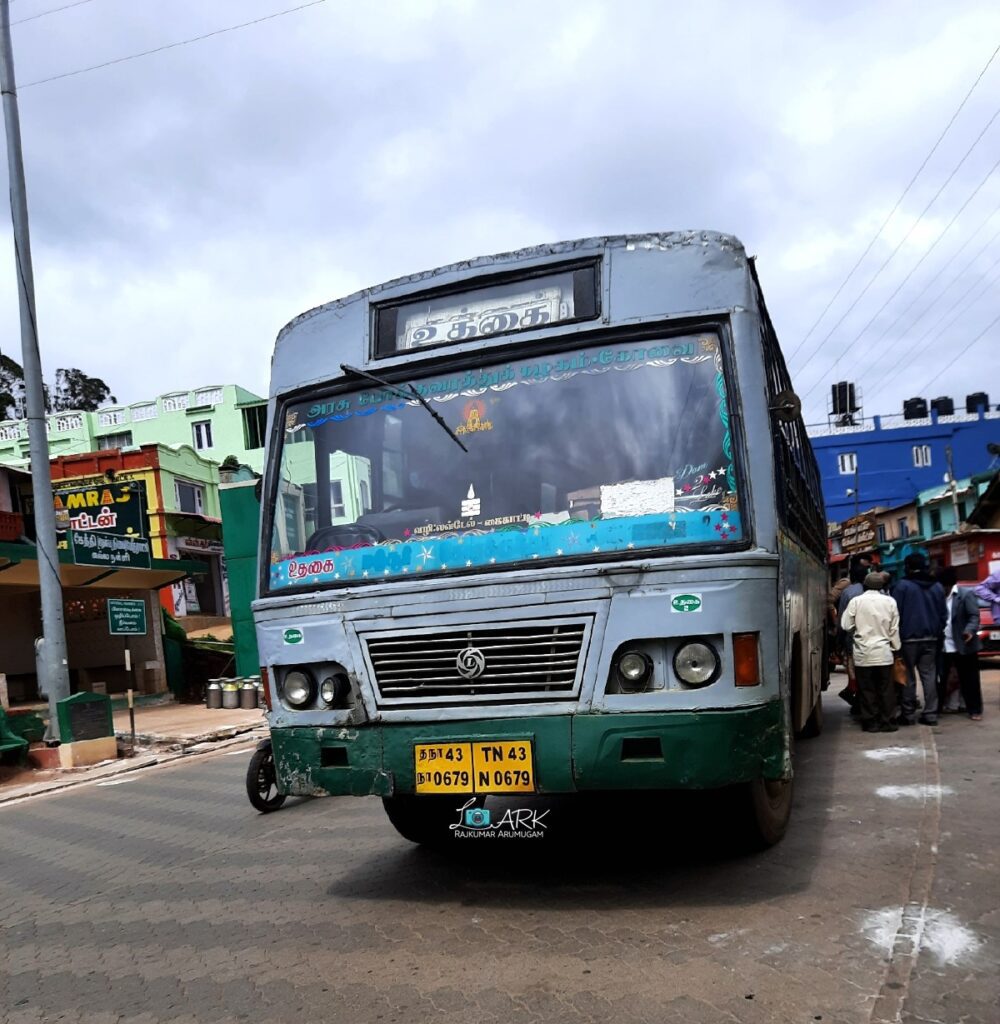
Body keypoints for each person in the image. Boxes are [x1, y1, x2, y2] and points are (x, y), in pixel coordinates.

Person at [841, 572, 901, 733]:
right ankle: (888, 721)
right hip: (884, 652)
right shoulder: (890, 602)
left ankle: (870, 722)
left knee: (867, 689)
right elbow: (894, 629)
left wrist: (857, 631)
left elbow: (846, 625)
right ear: (881, 586)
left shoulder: (856, 602)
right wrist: (895, 648)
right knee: (886, 689)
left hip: (863, 653)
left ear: (865, 586)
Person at [892, 553, 947, 726]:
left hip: (907, 639)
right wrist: (937, 631)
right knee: (929, 675)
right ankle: (930, 714)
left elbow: (894, 614)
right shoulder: (937, 586)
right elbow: (943, 615)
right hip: (931, 638)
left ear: (907, 567)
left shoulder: (902, 586)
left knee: (908, 676)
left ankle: (908, 714)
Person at [938, 568, 984, 721]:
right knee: (941, 678)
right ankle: (937, 709)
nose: (942, 590)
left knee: (969, 679)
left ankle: (975, 709)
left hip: (964, 643)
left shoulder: (965, 595)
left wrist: (969, 631)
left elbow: (974, 616)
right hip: (943, 644)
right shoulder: (936, 596)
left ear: (950, 586)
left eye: (944, 587)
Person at [835, 562, 869, 712]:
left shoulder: (848, 593)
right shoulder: (876, 591)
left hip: (853, 642)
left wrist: (838, 642)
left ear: (851, 577)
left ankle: (859, 705)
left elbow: (843, 620)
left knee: (855, 674)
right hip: (874, 641)